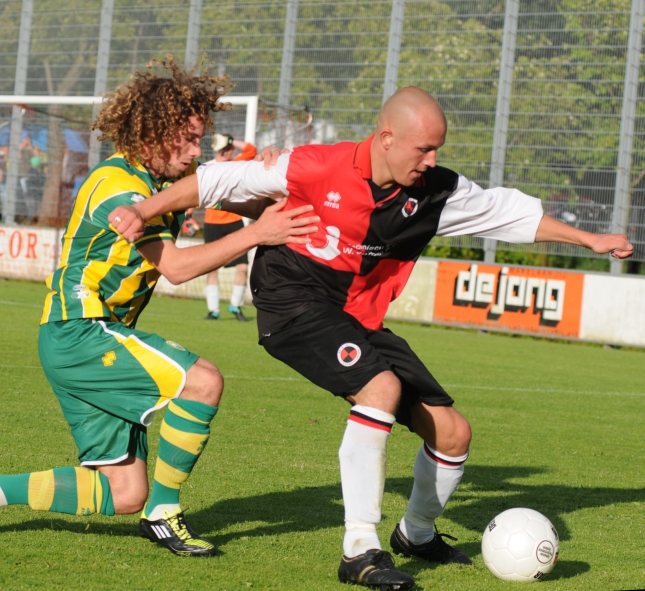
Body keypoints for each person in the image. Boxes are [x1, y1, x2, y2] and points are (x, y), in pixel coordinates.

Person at [109, 86, 633, 588]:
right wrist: (143, 210)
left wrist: (588, 238)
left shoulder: (433, 193)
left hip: (356, 318)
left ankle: (416, 535)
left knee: (452, 434)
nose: (431, 159)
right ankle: (360, 550)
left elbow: (509, 212)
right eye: (423, 147)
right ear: (386, 138)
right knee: (379, 387)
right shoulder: (315, 164)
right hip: (291, 301)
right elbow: (215, 181)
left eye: (437, 149)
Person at [0, 55, 318, 558]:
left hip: (83, 339)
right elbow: (177, 268)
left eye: (200, 138)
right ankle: (164, 517)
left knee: (124, 492)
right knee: (203, 381)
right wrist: (256, 235)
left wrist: (269, 171)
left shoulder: (159, 184)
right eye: (188, 138)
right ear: (154, 135)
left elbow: (249, 196)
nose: (196, 150)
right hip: (81, 331)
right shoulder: (120, 185)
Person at [194, 133, 257, 321]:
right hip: (213, 222)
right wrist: (190, 216)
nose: (230, 151)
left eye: (230, 149)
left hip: (235, 222)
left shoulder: (236, 163)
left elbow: (250, 149)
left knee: (243, 268)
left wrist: (230, 139)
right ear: (219, 150)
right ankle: (213, 310)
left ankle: (235, 306)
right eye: (226, 149)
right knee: (212, 269)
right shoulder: (208, 168)